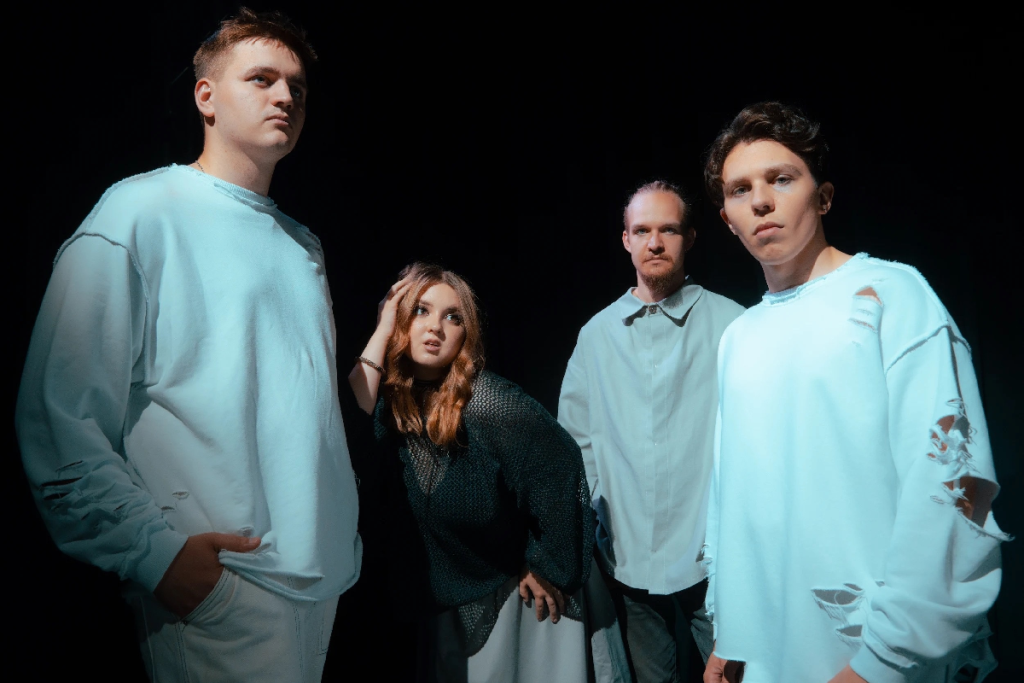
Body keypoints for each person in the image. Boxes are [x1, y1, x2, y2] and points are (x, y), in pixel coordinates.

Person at [15, 8, 360, 682]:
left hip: (321, 586)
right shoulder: (139, 212)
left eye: (297, 86)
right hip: (222, 586)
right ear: (206, 95)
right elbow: (58, 417)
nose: (286, 97)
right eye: (261, 78)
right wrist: (155, 555)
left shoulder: (302, 245)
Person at [701, 102, 1009, 683]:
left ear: (823, 197)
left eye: (781, 179)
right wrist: (731, 628)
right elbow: (731, 494)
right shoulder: (740, 335)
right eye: (741, 190)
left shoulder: (893, 295)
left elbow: (950, 484)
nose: (761, 201)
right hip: (767, 651)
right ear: (728, 219)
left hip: (873, 658)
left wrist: (881, 661)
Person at [344, 262, 595, 683]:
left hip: (502, 599)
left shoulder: (487, 403)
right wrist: (383, 327)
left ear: (466, 334)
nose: (435, 327)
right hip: (429, 606)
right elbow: (350, 419)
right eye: (420, 311)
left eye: (453, 317)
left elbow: (560, 466)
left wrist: (544, 564)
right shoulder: (389, 404)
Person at [558, 181, 745, 682]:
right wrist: (603, 511)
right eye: (642, 231)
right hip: (629, 558)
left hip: (717, 563)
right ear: (626, 240)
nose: (655, 243)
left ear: (690, 237)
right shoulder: (597, 335)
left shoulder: (733, 324)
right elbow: (574, 440)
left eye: (669, 230)